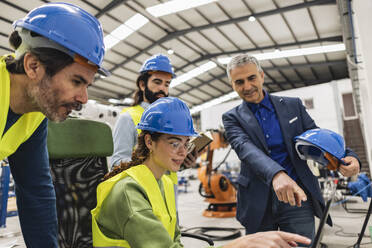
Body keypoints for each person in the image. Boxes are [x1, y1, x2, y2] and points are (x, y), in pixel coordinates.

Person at [92, 97, 311, 248]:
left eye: (186, 143)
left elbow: (174, 241)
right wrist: (240, 243)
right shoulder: (129, 192)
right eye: (174, 143)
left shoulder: (165, 183)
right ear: (149, 141)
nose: (182, 152)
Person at [222, 54, 361, 243]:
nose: (247, 86)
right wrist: (277, 174)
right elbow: (245, 149)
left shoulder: (292, 105)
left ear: (262, 76)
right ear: (232, 85)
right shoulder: (231, 118)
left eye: (251, 78)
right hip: (258, 202)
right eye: (239, 82)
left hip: (297, 198)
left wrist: (347, 156)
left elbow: (317, 136)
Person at [0, 3, 108, 247]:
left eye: (87, 86)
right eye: (76, 81)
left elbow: (36, 192)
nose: (84, 99)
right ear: (33, 66)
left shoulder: (35, 113)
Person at [111, 54, 198, 173]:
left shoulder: (170, 119)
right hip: (143, 189)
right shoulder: (127, 118)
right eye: (157, 82)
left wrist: (181, 162)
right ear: (142, 85)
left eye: (167, 84)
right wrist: (154, 165)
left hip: (168, 190)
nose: (162, 88)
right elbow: (117, 163)